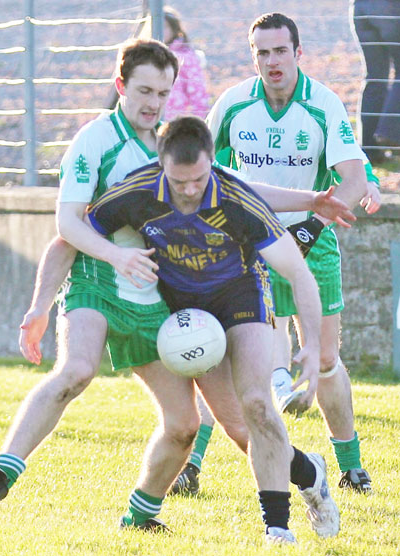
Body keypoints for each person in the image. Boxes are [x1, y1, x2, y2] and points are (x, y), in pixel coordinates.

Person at [82, 115, 341, 543]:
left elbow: (298, 272)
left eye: (198, 179)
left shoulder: (236, 197)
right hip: (188, 316)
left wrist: (312, 345)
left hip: (241, 296)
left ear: (211, 164)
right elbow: (81, 230)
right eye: (178, 182)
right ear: (160, 163)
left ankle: (277, 530)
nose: (188, 191)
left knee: (259, 405)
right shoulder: (137, 189)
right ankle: (310, 472)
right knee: (242, 430)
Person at [187, 12, 377, 497]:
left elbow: (353, 180)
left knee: (328, 361)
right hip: (250, 245)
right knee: (227, 357)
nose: (271, 61)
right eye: (262, 52)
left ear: (298, 53)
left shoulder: (322, 105)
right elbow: (202, 171)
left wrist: (313, 228)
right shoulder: (232, 106)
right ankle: (191, 464)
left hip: (312, 242)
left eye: (280, 51)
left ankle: (350, 463)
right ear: (254, 56)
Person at [351, 0, 400, 164]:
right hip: (390, 8)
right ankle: (390, 135)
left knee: (375, 77)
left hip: (361, 8)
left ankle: (370, 149)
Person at [163, 6, 209, 121]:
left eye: (165, 27)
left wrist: (197, 122)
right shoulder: (148, 56)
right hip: (153, 120)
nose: (161, 30)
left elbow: (197, 92)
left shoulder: (186, 56)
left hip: (178, 121)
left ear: (174, 28)